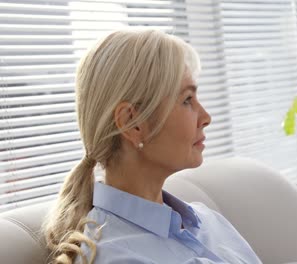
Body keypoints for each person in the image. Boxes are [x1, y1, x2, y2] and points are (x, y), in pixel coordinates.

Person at [42, 29, 262, 264]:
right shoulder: (118, 257)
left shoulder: (207, 221)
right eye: (187, 100)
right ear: (132, 123)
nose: (206, 117)